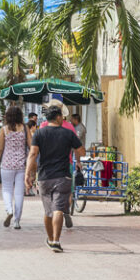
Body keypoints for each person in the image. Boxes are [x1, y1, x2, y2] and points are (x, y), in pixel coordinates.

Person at [25, 106, 85, 252]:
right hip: (63, 176)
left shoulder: (39, 133)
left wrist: (28, 174)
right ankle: (56, 241)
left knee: (48, 211)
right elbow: (80, 150)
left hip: (45, 177)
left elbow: (33, 155)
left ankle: (51, 239)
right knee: (59, 209)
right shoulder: (68, 133)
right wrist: (78, 158)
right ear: (58, 117)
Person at [0, 106, 32, 229]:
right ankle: (17, 221)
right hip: (21, 165)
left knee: (6, 190)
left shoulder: (4, 130)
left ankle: (9, 210)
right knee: (19, 193)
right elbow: (31, 146)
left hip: (6, 165)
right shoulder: (25, 129)